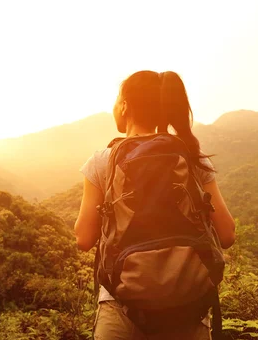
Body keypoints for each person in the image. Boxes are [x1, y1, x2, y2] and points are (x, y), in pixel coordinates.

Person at [74, 71, 236, 340]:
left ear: (125, 105)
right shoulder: (192, 157)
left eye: (116, 100)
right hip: (188, 307)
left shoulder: (102, 161)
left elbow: (83, 238)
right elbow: (227, 235)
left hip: (122, 309)